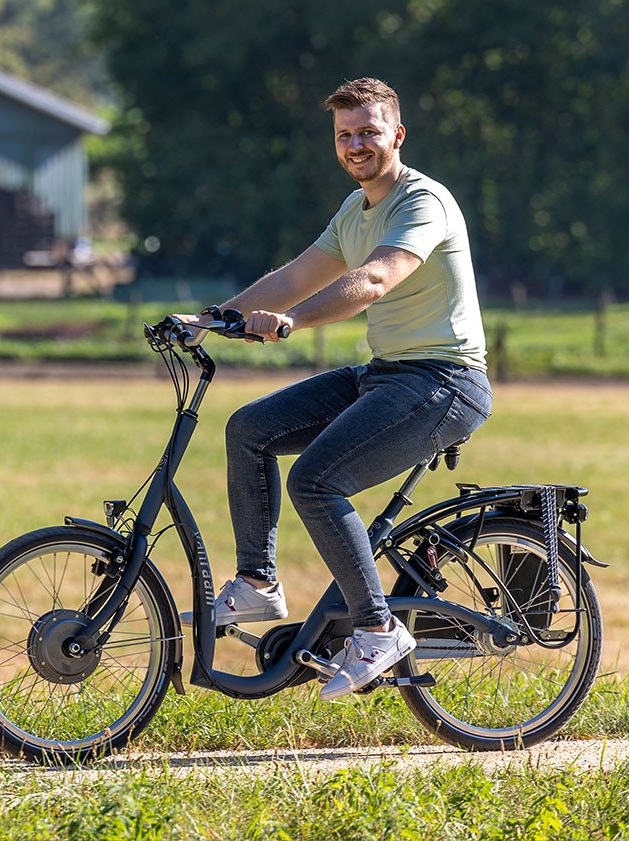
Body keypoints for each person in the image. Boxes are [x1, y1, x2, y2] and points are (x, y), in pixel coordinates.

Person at [179, 77, 492, 700]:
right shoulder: (356, 210)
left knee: (317, 481)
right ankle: (259, 583)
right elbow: (296, 275)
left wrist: (293, 322)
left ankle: (377, 631)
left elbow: (376, 279)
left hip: (445, 380)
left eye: (369, 132)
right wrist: (211, 320)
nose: (355, 145)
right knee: (249, 430)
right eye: (345, 135)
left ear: (396, 135)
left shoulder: (421, 202)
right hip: (387, 375)